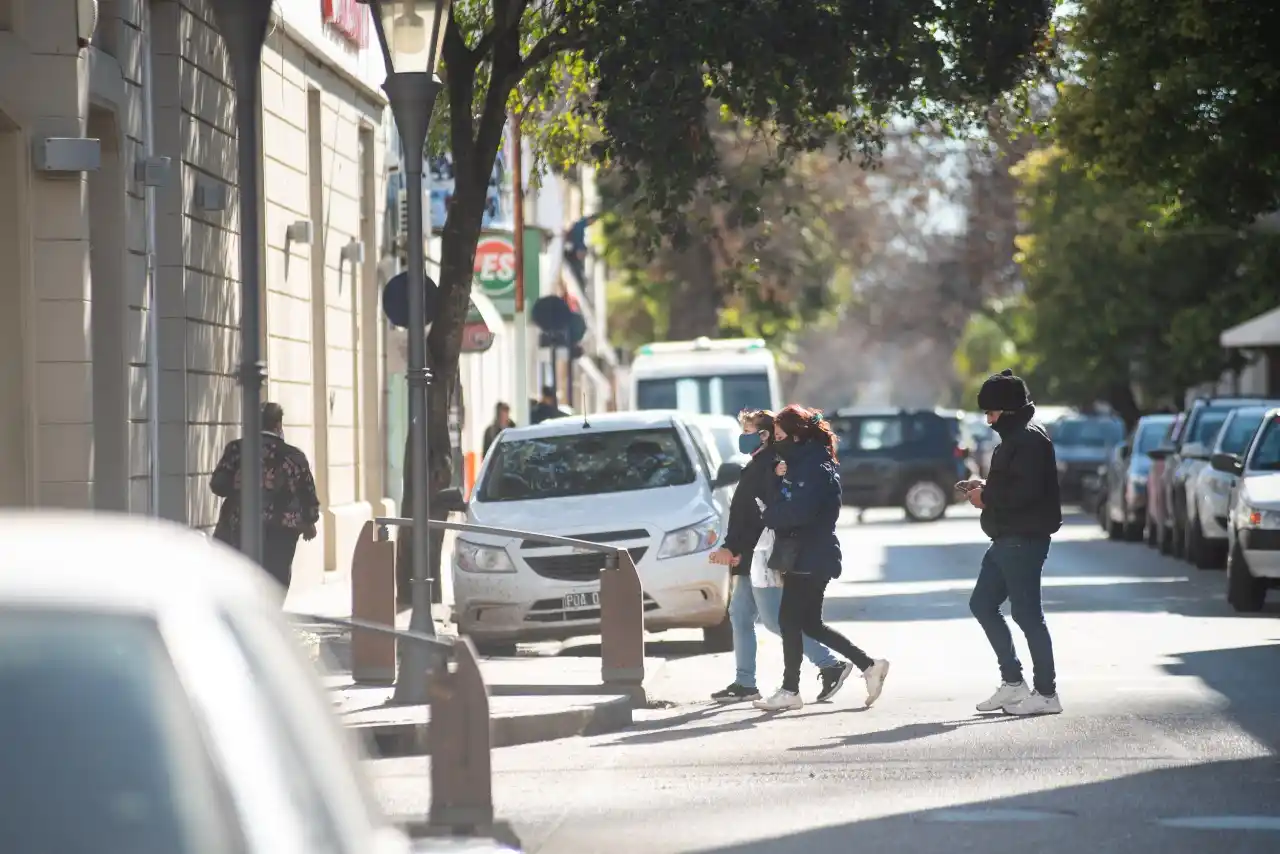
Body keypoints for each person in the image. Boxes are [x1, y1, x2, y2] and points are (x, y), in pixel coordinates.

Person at [753, 405, 891, 712]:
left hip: (811, 554)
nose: (777, 442)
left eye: (781, 436)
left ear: (798, 436)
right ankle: (869, 665)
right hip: (808, 554)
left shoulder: (813, 467)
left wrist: (769, 515)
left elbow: (798, 512)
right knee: (810, 624)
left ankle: (790, 690)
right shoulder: (803, 463)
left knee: (789, 620)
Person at [708, 410, 849, 704]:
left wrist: (733, 547)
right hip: (750, 553)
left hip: (763, 553)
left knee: (775, 621)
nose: (742, 437)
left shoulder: (772, 466)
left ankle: (829, 664)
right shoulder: (760, 464)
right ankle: (745, 682)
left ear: (764, 435)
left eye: (747, 431)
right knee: (740, 615)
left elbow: (762, 516)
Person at [957, 369, 1063, 716]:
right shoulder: (1018, 436)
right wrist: (983, 484)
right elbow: (1013, 483)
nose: (988, 420)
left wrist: (986, 498)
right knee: (982, 604)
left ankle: (1046, 693)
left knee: (1027, 614)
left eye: (992, 413)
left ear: (1009, 409)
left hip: (1023, 538)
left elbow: (1026, 492)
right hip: (1006, 536)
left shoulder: (1029, 439)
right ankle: (1014, 683)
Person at [210, 401, 320, 594]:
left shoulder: (237, 450)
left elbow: (218, 484)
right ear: (278, 425)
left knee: (240, 577)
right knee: (275, 582)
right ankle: (267, 620)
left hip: (240, 526)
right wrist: (309, 521)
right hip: (281, 530)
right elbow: (308, 494)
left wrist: (235, 483)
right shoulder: (294, 457)